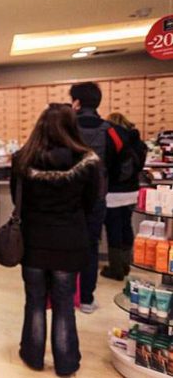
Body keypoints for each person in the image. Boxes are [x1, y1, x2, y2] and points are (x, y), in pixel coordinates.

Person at [13, 103, 101, 377]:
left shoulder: (22, 160)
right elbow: (91, 202)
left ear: (40, 127)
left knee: (35, 301)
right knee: (64, 305)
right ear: (72, 127)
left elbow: (18, 200)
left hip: (33, 243)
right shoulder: (87, 162)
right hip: (69, 243)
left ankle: (33, 355)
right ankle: (66, 362)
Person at [70, 82, 122, 313]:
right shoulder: (110, 130)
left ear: (77, 102)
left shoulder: (66, 126)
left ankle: (66, 297)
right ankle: (86, 299)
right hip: (97, 198)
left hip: (68, 197)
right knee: (91, 247)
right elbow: (119, 159)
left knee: (67, 246)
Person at [100, 112, 148, 280]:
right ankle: (125, 264)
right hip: (132, 191)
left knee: (113, 228)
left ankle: (116, 269)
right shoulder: (137, 142)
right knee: (126, 225)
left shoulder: (114, 140)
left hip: (114, 192)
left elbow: (107, 165)